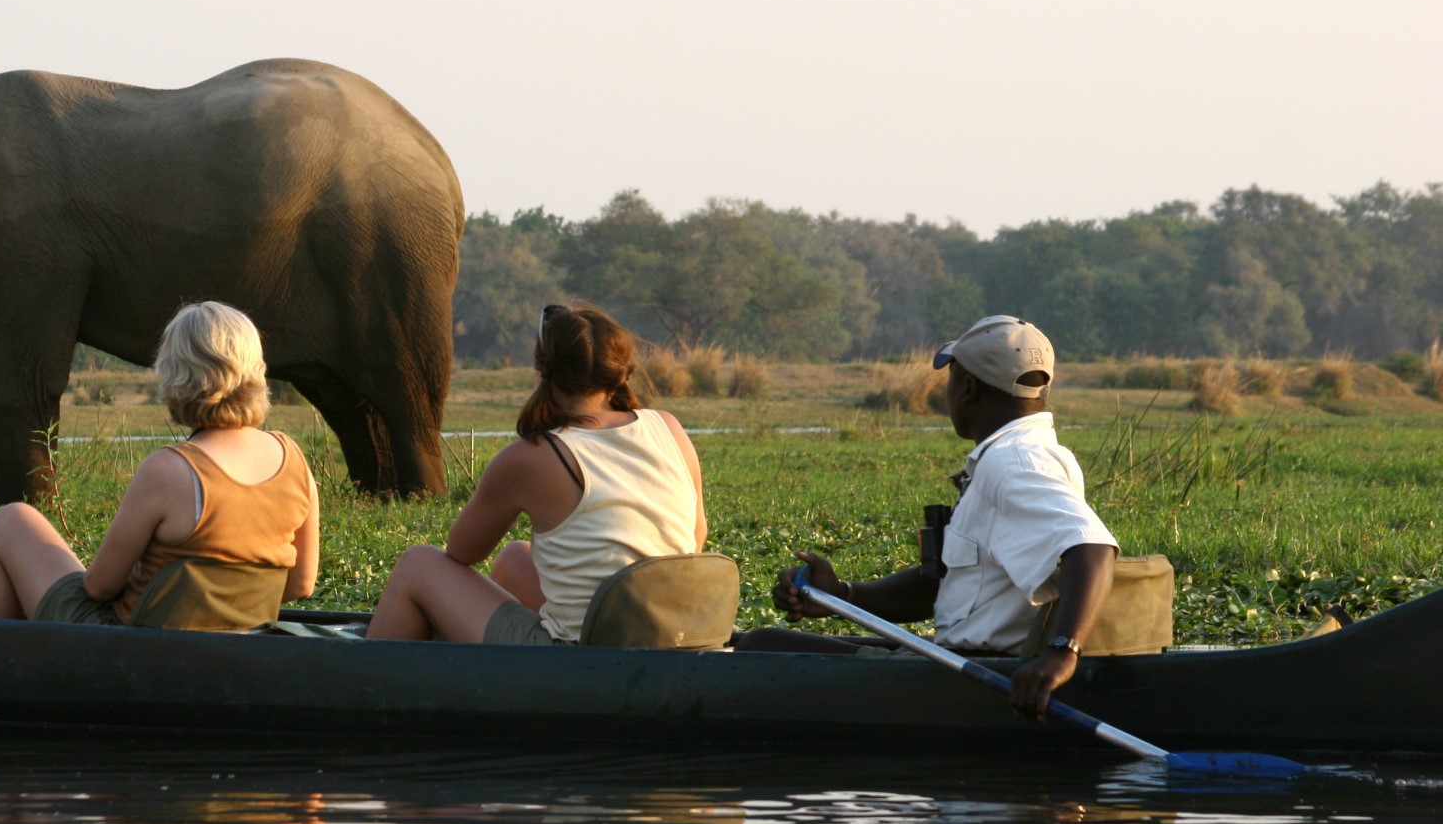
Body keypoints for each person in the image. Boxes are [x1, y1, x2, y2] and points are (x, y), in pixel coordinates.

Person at [737, 315, 1119, 722]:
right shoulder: (1034, 453)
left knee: (756, 644)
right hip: (960, 655)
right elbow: (944, 585)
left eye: (951, 379)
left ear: (967, 387)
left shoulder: (1015, 463)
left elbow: (1091, 547)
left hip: (976, 673)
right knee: (758, 642)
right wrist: (841, 595)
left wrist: (1063, 653)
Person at [366, 303, 707, 644]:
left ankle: (360, 688)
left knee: (418, 565)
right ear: (618, 372)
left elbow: (461, 551)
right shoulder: (668, 427)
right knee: (515, 557)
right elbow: (696, 536)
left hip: (583, 659)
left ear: (543, 370)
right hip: (671, 636)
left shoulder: (530, 457)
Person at [0, 301, 319, 625]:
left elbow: (100, 588)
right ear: (255, 369)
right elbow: (302, 582)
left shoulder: (169, 470)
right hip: (236, 646)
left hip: (129, 649)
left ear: (176, 374)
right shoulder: (294, 460)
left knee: (10, 520)